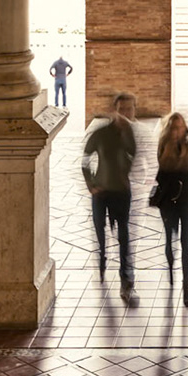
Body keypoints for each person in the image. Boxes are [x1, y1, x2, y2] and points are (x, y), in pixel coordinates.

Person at [81, 91, 139, 302]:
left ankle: (126, 280)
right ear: (115, 110)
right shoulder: (101, 134)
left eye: (130, 109)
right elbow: (85, 160)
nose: (126, 113)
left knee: (123, 236)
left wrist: (124, 173)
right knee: (101, 234)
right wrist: (91, 184)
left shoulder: (129, 133)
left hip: (122, 191)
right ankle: (102, 261)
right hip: (101, 192)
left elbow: (132, 154)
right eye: (122, 109)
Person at [153, 110, 188, 308]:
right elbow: (161, 174)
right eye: (173, 128)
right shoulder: (164, 146)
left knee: (186, 245)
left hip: (187, 202)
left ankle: (186, 285)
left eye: (180, 128)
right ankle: (171, 267)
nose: (176, 132)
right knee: (169, 241)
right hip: (168, 202)